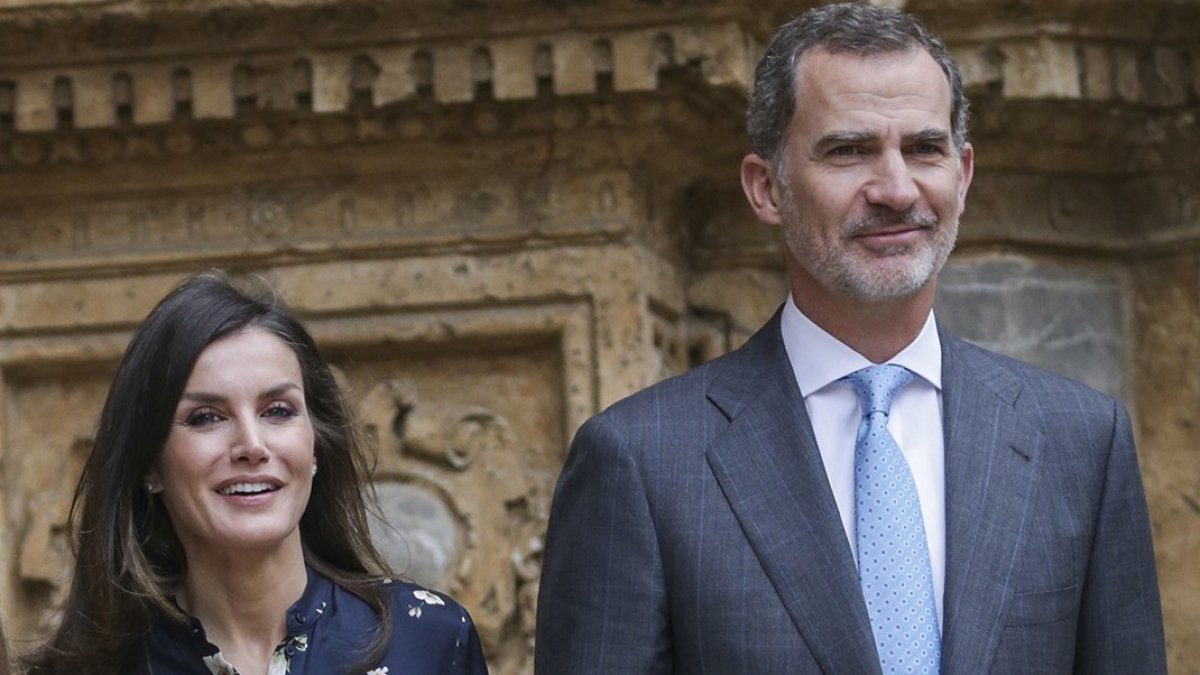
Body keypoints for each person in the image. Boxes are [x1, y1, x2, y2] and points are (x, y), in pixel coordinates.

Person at [535, 3, 1166, 674]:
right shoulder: (640, 462)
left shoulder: (1079, 443)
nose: (896, 189)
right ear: (766, 188)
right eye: (848, 150)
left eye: (925, 148)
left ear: (964, 172)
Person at [25, 272, 488, 675]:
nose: (252, 445)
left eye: (279, 411)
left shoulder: (428, 641)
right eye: (206, 417)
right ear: (150, 465)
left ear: (314, 447)